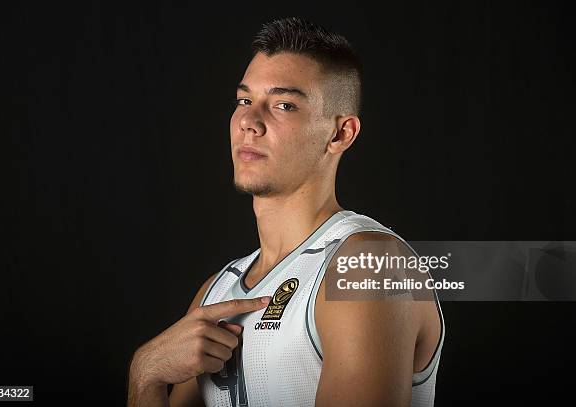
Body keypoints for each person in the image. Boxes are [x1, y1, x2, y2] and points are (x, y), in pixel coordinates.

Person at [128, 17, 444, 407]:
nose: (249, 121)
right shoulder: (216, 291)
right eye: (244, 101)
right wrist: (146, 375)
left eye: (283, 105)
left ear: (340, 133)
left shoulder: (370, 265)